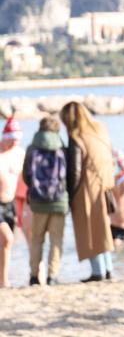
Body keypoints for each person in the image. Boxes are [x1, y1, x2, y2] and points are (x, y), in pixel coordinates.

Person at [60, 102, 115, 282]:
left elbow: (75, 170)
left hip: (86, 187)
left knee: (89, 230)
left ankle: (98, 271)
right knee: (103, 229)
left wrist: (70, 194)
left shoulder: (77, 137)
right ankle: (108, 269)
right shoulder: (100, 130)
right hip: (104, 184)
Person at [21, 116, 69, 286]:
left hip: (38, 201)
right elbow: (68, 176)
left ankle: (34, 276)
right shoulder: (62, 147)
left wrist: (35, 190)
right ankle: (52, 276)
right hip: (59, 200)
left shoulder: (31, 148)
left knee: (37, 239)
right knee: (56, 239)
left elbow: (26, 175)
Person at [0, 116, 26, 288]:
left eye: (17, 140)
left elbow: (24, 182)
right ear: (4, 137)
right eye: (11, 140)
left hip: (10, 203)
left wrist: (22, 208)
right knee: (7, 238)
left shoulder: (20, 153)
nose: (14, 144)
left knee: (6, 244)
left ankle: (3, 280)